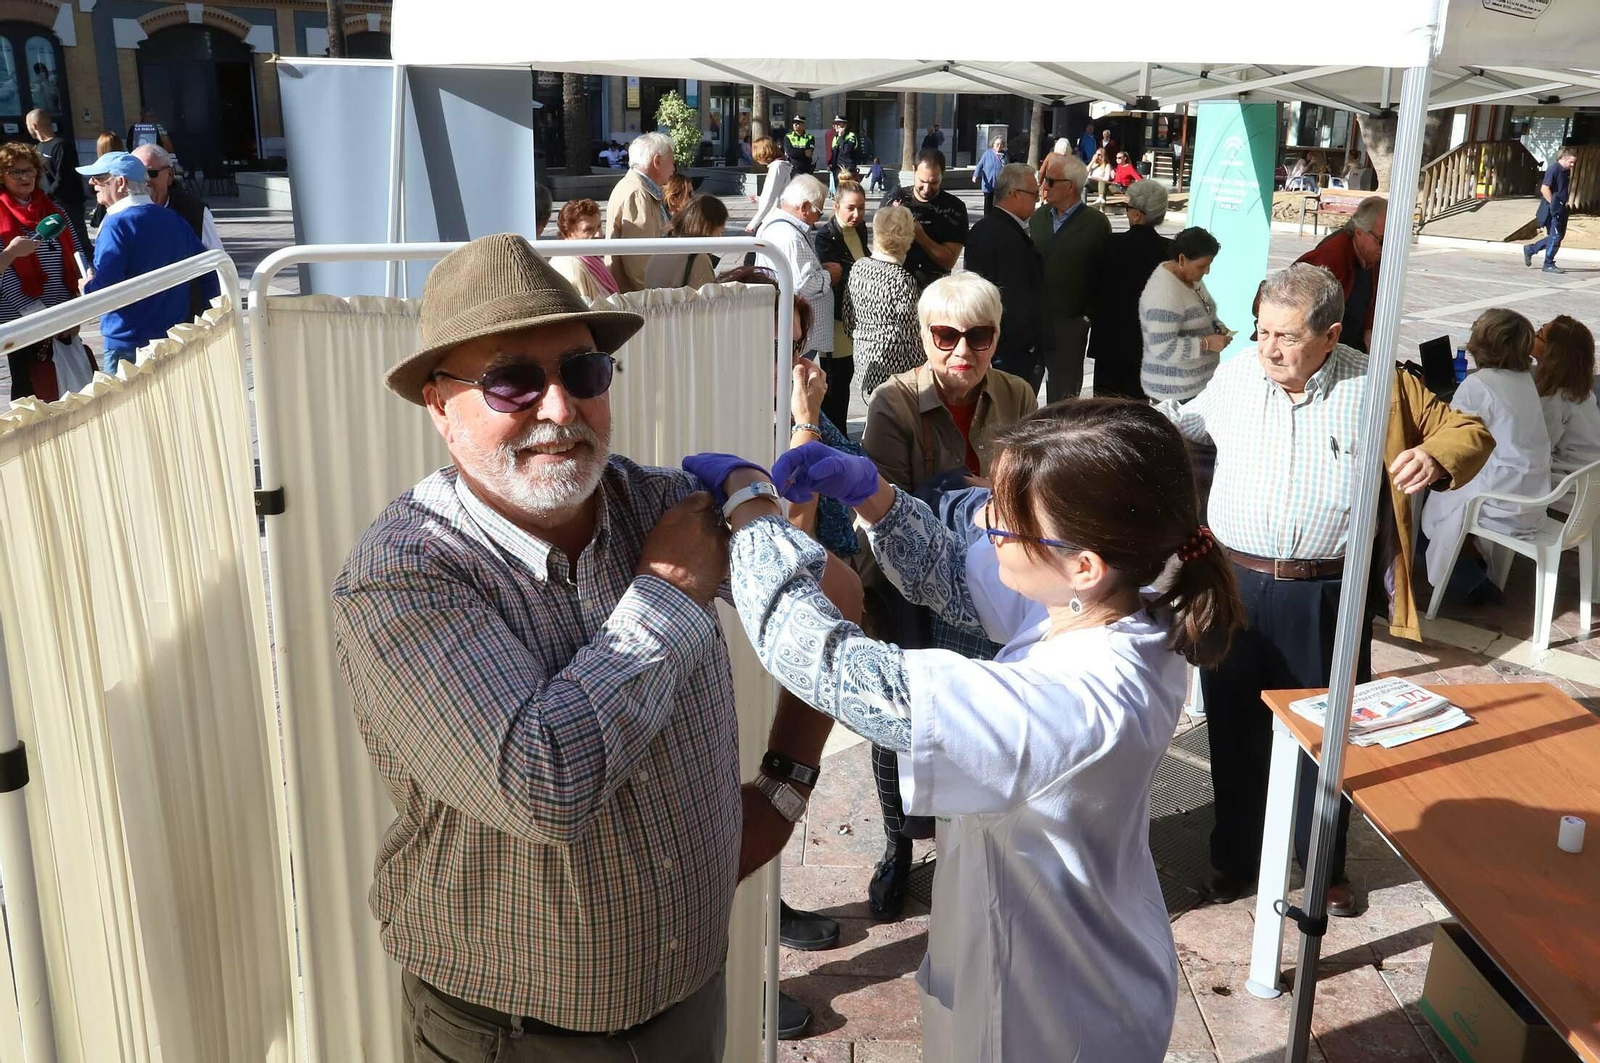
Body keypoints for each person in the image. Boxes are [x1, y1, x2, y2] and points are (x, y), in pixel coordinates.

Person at [333, 234, 851, 1053]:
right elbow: (546, 783)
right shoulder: (406, 573)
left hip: (688, 999)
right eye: (512, 380)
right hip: (514, 1034)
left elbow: (834, 600)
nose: (559, 408)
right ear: (439, 404)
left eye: (581, 371)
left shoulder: (661, 502)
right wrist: (669, 592)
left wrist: (783, 786)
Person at [682, 396, 1247, 1063]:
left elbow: (831, 667)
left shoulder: (1075, 700)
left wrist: (752, 511)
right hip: (1046, 957)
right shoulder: (1117, 595)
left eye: (1004, 520)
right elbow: (953, 574)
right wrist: (876, 496)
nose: (987, 525)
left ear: (1083, 563)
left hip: (1061, 1017)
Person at [1162, 263, 1493, 915]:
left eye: (1285, 336)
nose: (1268, 348)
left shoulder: (1379, 384)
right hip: (1235, 585)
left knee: (1326, 734)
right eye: (1261, 331)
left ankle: (1323, 865)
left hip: (1326, 594)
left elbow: (1469, 433)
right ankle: (1233, 857)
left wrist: (1435, 456)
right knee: (1233, 731)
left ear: (1330, 334)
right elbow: (1181, 425)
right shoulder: (1235, 374)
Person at [862, 271, 1038, 494]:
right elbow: (885, 509)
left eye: (978, 336)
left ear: (995, 340)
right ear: (925, 339)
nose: (962, 352)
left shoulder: (1017, 395)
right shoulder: (893, 403)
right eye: (946, 336)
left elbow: (1034, 487)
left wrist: (995, 496)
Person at [1421, 308, 1551, 602]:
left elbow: (1449, 437)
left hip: (1501, 494)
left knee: (1423, 500)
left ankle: (1464, 582)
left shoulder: (1479, 385)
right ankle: (1469, 566)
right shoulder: (1524, 378)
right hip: (1532, 491)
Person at [75, 150, 216, 374]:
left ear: (120, 183)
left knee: (127, 408)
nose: (92, 182)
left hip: (127, 341)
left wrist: (87, 287)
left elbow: (104, 289)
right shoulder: (172, 218)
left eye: (100, 177)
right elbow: (210, 270)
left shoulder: (116, 224)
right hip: (172, 335)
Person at [1, 140, 84, 401]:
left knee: (67, 393)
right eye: (16, 171)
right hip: (23, 322)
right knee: (31, 392)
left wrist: (74, 311)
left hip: (62, 317)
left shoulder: (55, 212)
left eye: (30, 170)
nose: (25, 177)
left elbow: (77, 258)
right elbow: (5, 279)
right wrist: (41, 317)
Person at [1032, 152, 1110, 404]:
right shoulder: (1038, 217)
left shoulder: (1096, 223)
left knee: (1063, 395)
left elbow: (1103, 275)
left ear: (1071, 186)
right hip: (1032, 323)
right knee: (1021, 389)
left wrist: (1086, 317)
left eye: (1051, 181)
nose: (1044, 186)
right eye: (1044, 179)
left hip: (1069, 325)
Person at [963, 162, 1047, 388]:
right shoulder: (1008, 238)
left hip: (992, 344)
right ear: (1014, 194)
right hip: (1011, 352)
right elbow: (1015, 297)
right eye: (1033, 194)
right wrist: (1028, 344)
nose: (1037, 200)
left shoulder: (983, 229)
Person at [1087, 180, 1172, 399]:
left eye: (1128, 207)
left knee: (1104, 414)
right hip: (1150, 346)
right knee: (1139, 415)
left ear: (1136, 214)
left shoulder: (1109, 245)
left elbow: (1090, 293)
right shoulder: (1170, 252)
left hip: (1110, 344)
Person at [1139, 226, 1228, 404]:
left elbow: (1204, 309)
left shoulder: (1190, 278)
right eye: (1202, 266)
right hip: (1175, 393)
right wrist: (1207, 343)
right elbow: (1163, 347)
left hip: (1195, 387)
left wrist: (1216, 325)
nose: (1207, 271)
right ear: (1182, 259)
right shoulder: (1164, 293)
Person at [845, 203, 923, 397]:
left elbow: (848, 318)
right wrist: (925, 367)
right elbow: (911, 335)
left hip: (864, 360)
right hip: (895, 367)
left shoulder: (858, 267)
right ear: (908, 238)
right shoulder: (902, 280)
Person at [1293, 195, 1385, 353]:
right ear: (1359, 232)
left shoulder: (1370, 257)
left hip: (1351, 348)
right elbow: (1293, 303)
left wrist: (1368, 332)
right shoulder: (1331, 258)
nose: (1385, 249)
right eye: (1382, 241)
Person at [758, 174, 832, 360]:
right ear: (805, 207)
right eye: (819, 212)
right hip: (798, 333)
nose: (817, 218)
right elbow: (802, 284)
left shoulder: (779, 225)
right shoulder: (789, 236)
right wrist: (828, 275)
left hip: (796, 330)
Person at [813, 179, 868, 427]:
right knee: (835, 382)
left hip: (854, 318)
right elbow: (839, 275)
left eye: (861, 208)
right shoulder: (827, 236)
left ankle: (839, 433)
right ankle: (834, 434)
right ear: (836, 206)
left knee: (845, 378)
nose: (856, 214)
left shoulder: (860, 228)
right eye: (851, 208)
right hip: (835, 319)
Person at [877, 149, 967, 291]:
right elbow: (880, 249)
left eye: (934, 182)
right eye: (922, 181)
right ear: (914, 170)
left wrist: (921, 236)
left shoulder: (955, 208)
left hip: (934, 289)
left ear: (943, 175)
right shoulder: (894, 200)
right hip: (894, 287)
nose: (926, 189)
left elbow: (949, 261)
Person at [604, 131, 673, 293]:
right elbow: (640, 265)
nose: (673, 168)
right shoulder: (638, 193)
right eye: (671, 161)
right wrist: (656, 298)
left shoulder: (635, 187)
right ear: (657, 161)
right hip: (640, 302)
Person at [1534, 315, 1600, 467]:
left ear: (1551, 352)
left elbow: (1537, 447)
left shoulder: (1555, 400)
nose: (1533, 336)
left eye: (1539, 334)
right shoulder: (1582, 392)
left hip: (1570, 479)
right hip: (1590, 474)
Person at [25, 108, 85, 253]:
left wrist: (47, 197)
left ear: (34, 125)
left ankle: (91, 269)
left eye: (27, 125)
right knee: (57, 244)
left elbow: (63, 178)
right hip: (47, 204)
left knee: (78, 242)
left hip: (67, 205)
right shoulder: (38, 148)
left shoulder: (61, 146)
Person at [644, 194, 729, 289]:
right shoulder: (697, 258)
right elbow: (707, 300)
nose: (720, 237)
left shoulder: (661, 250)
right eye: (720, 231)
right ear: (708, 227)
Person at [550, 198, 620, 302]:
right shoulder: (572, 268)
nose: (598, 234)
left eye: (599, 227)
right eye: (588, 229)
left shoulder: (591, 260)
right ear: (568, 232)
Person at [1525, 146, 1577, 275]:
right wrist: (1553, 205)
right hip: (1553, 209)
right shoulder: (1554, 169)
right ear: (1563, 159)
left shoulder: (1565, 171)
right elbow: (1544, 189)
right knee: (1555, 236)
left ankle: (1531, 249)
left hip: (1561, 207)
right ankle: (1548, 263)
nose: (1572, 165)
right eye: (1571, 162)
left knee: (1558, 236)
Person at [745, 136, 792, 235]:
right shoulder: (779, 166)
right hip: (774, 218)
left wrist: (753, 223)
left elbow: (770, 196)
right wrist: (758, 199)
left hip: (773, 219)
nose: (756, 158)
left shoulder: (777, 168)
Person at [826, 114, 861, 192]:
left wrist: (841, 137)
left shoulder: (851, 136)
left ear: (845, 125)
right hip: (836, 169)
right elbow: (834, 153)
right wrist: (830, 164)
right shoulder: (835, 137)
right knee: (838, 192)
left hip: (847, 169)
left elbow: (846, 152)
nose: (836, 126)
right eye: (835, 124)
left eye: (839, 124)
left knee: (847, 191)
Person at [974, 136, 1006, 216]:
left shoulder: (1005, 155)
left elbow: (1008, 167)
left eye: (1001, 144)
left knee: (998, 203)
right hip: (989, 183)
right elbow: (979, 165)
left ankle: (996, 218)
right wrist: (975, 175)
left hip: (1000, 184)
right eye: (997, 144)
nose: (999, 146)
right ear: (993, 144)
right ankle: (987, 218)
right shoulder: (987, 153)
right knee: (988, 203)